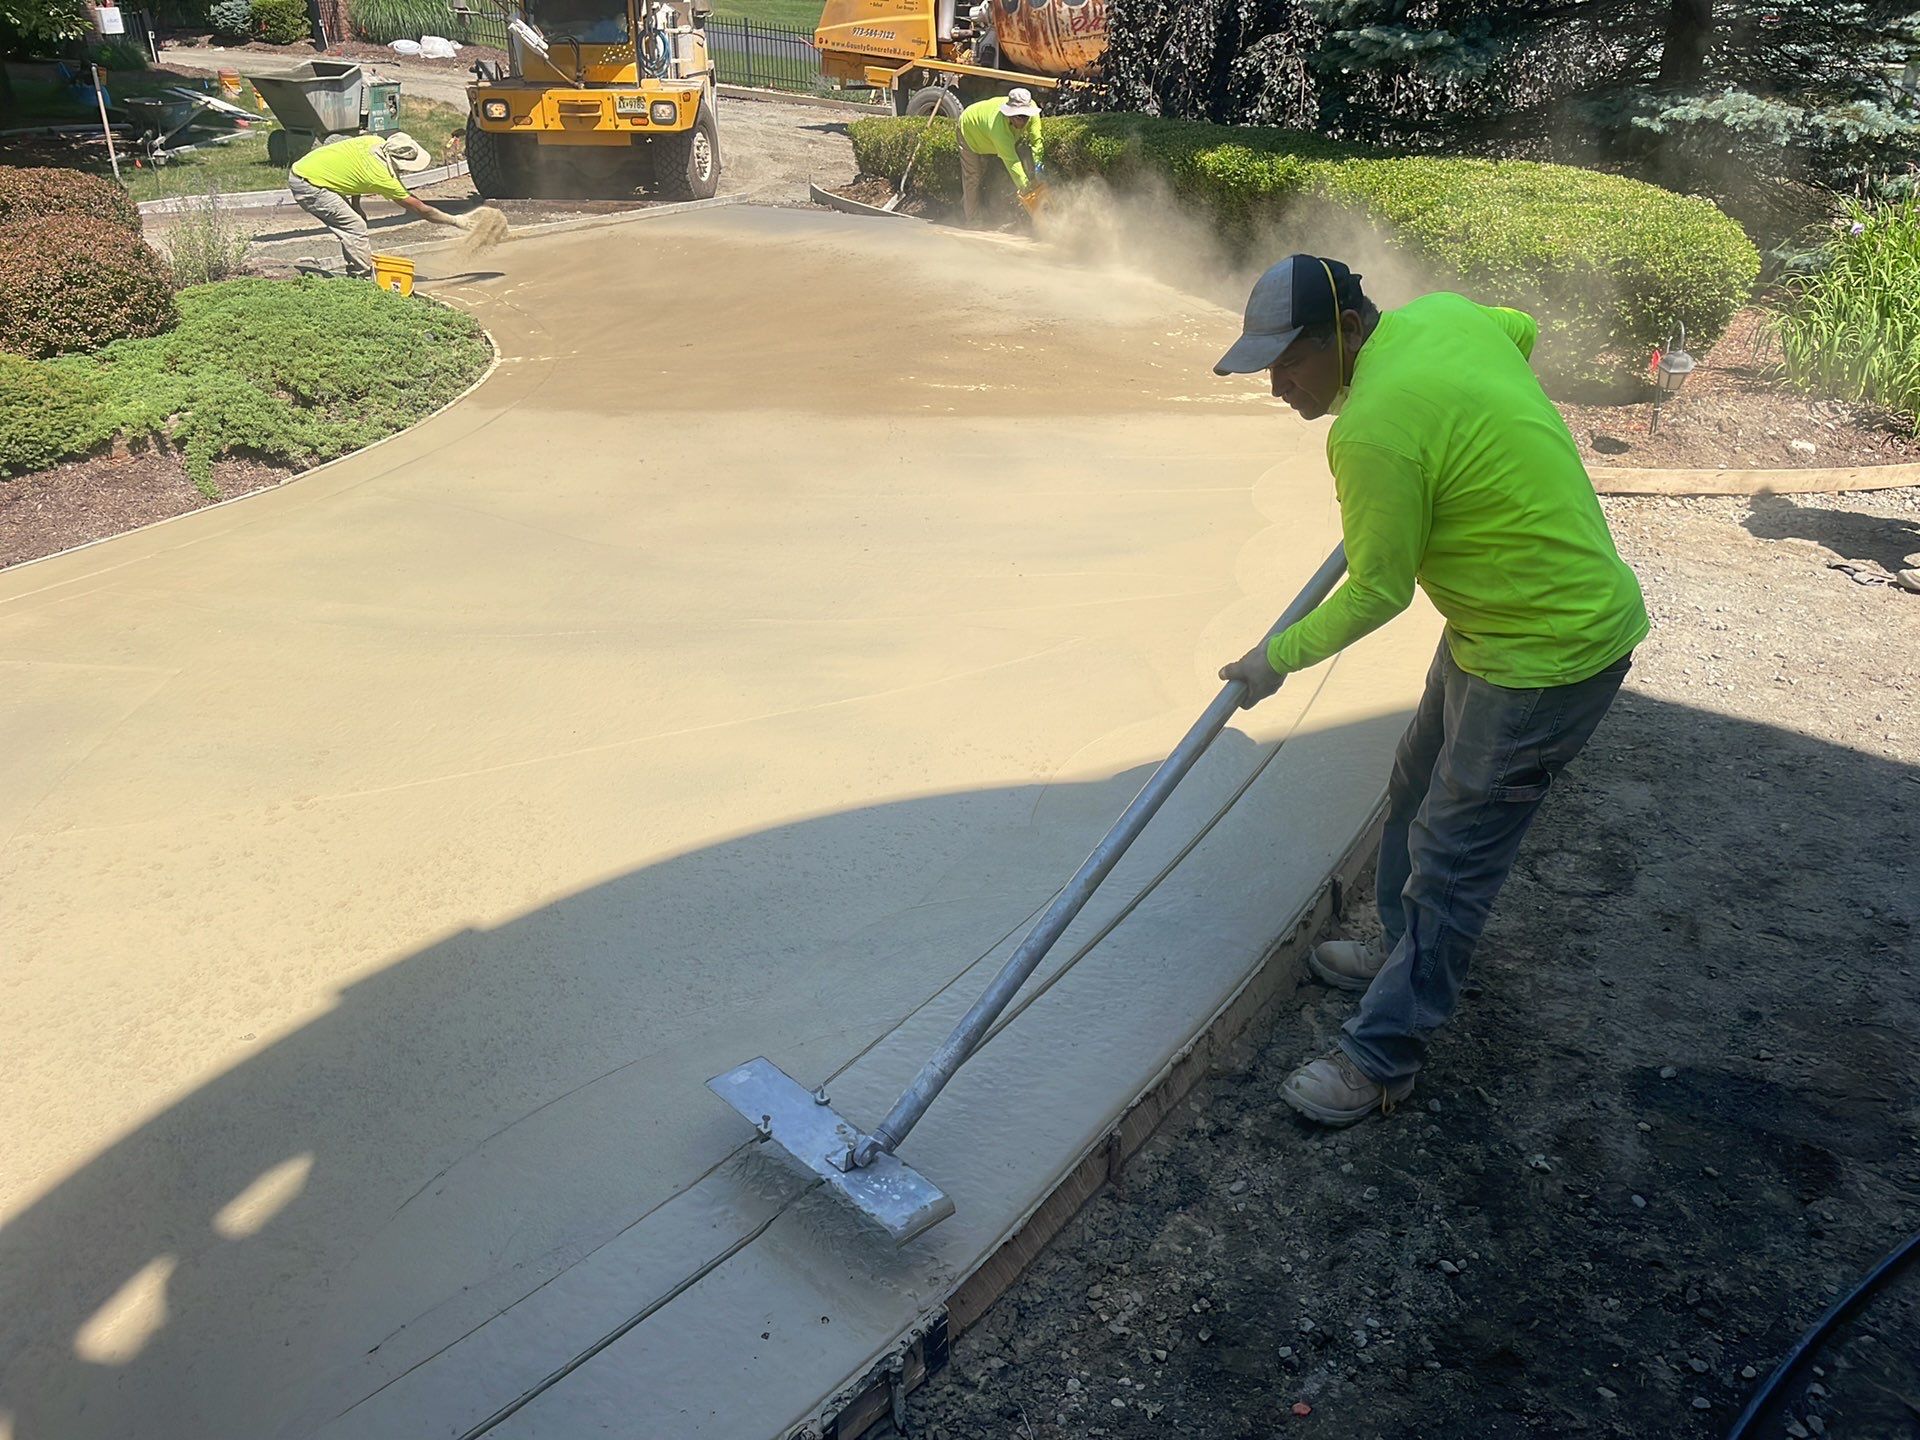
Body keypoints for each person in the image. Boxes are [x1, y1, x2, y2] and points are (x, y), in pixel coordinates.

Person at [1212, 254, 1649, 1127]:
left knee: (1454, 860)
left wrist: (1274, 657)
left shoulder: (1370, 428)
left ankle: (1382, 1058)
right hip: (1496, 619)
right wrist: (1472, 433)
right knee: (1414, 782)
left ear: (1344, 332)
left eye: (1289, 361)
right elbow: (1517, 331)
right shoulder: (1445, 317)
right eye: (1264, 365)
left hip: (1545, 652)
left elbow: (1380, 590)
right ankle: (1397, 952)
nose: (1277, 385)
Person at [287, 131, 467, 279]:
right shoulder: (383, 178)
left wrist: (356, 205)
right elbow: (421, 209)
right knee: (354, 226)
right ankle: (362, 277)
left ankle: (357, 267)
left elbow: (354, 168)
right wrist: (455, 221)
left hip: (312, 169)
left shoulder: (374, 141)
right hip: (309, 184)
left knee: (354, 219)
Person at [956, 87, 1045, 228]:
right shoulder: (999, 129)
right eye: (1018, 116)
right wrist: (1026, 189)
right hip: (969, 130)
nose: (1023, 121)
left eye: (1025, 116)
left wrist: (1039, 165)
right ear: (1009, 114)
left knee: (987, 171)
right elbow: (1013, 162)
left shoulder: (1032, 111)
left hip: (987, 136)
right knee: (973, 176)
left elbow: (1036, 141)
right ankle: (973, 219)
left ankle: (968, 203)